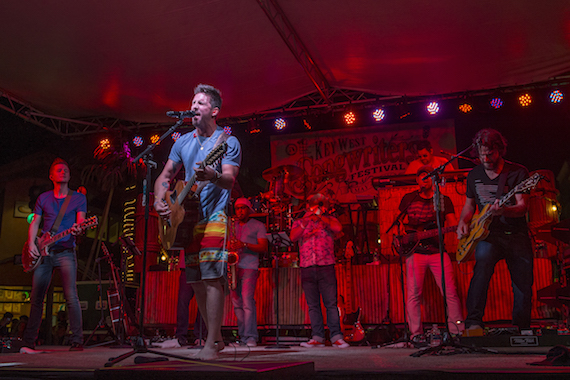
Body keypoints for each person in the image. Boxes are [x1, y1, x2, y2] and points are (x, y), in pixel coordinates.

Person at [154, 84, 241, 360]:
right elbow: (165, 176)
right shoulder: (182, 142)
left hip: (215, 214)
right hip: (187, 219)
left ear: (214, 111)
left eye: (200, 103)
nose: (194, 107)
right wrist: (159, 199)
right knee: (196, 281)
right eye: (192, 102)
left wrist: (212, 175)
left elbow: (229, 179)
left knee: (213, 276)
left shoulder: (228, 142)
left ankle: (209, 344)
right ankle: (215, 339)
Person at [457, 128, 533, 331]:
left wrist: (504, 211)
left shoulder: (518, 172)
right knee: (480, 274)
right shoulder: (474, 175)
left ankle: (521, 328)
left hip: (515, 235)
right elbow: (469, 205)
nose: (486, 158)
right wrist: (463, 221)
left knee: (522, 284)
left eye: (490, 153)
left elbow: (522, 207)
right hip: (488, 235)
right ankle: (473, 323)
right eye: (482, 154)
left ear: (500, 150)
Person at [23, 158, 87, 351]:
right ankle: (28, 341)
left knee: (71, 296)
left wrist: (79, 229)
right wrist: (32, 244)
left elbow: (81, 223)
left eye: (66, 170)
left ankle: (77, 340)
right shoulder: (43, 198)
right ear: (51, 176)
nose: (63, 172)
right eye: (59, 170)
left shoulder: (78, 198)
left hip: (66, 252)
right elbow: (35, 223)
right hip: (43, 252)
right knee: (36, 297)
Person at [397, 166, 464, 346]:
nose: (424, 180)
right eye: (421, 177)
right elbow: (400, 224)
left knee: (450, 291)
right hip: (415, 252)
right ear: (417, 180)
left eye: (427, 177)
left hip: (438, 252)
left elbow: (451, 223)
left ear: (434, 180)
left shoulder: (443, 200)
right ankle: (415, 334)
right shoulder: (409, 199)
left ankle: (457, 331)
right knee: (413, 294)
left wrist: (459, 227)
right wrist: (404, 236)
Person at [290, 193, 349, 348]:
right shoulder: (300, 221)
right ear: (308, 205)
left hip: (326, 266)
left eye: (320, 204)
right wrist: (307, 221)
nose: (317, 207)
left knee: (331, 303)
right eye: (314, 204)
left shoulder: (330, 220)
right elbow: (293, 237)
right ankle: (318, 337)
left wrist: (321, 217)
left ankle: (336, 336)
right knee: (313, 305)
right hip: (307, 267)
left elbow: (338, 228)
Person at [228, 197, 268, 347]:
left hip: (249, 267)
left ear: (249, 210)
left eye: (242, 208)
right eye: (237, 208)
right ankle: (243, 336)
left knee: (247, 301)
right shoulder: (232, 226)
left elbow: (263, 247)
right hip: (233, 267)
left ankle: (251, 336)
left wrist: (244, 244)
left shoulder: (258, 225)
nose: (239, 211)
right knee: (237, 304)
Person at [175, 249, 208, 346]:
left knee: (202, 303)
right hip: (187, 265)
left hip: (203, 264)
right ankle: (180, 336)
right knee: (182, 301)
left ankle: (200, 336)